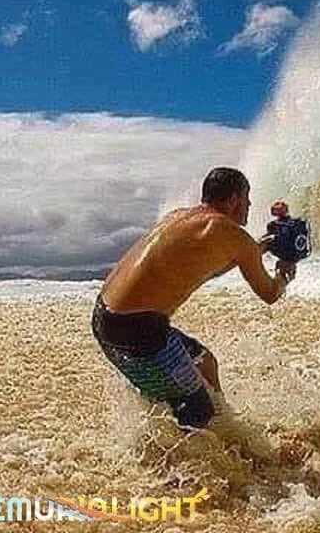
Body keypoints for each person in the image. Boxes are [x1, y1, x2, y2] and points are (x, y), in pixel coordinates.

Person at [91, 167, 295, 429]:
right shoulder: (232, 234)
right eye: (247, 198)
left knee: (205, 363)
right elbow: (269, 294)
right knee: (198, 414)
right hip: (138, 332)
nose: (250, 205)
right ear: (234, 199)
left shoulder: (179, 217)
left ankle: (224, 429)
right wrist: (284, 272)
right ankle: (193, 446)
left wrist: (260, 247)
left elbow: (208, 265)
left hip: (104, 318)